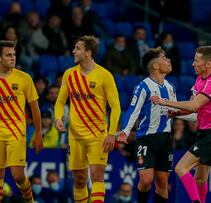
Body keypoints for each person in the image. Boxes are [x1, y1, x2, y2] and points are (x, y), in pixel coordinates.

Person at [151, 45, 211, 203]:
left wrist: (166, 102)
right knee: (200, 179)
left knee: (180, 168)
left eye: (196, 61)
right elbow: (193, 109)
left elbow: (194, 106)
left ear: (208, 64)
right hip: (205, 133)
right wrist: (177, 113)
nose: (192, 64)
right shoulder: (200, 79)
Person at [54, 35, 121, 203]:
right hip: (75, 135)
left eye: (77, 48)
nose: (73, 51)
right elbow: (60, 101)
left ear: (88, 53)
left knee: (97, 176)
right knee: (79, 179)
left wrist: (111, 133)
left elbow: (116, 107)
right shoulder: (69, 74)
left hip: (97, 135)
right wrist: (58, 118)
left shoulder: (104, 76)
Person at [116, 47, 175, 203]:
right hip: (146, 138)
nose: (168, 60)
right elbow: (133, 110)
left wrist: (198, 115)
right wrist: (125, 131)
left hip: (165, 139)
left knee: (162, 181)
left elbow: (177, 111)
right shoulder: (143, 86)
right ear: (155, 65)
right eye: (164, 58)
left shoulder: (170, 87)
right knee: (146, 180)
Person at [0, 40, 43, 202]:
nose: (13, 58)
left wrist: (38, 134)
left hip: (16, 133)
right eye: (8, 55)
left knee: (18, 175)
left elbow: (35, 108)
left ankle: (29, 200)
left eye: (14, 55)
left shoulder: (24, 78)